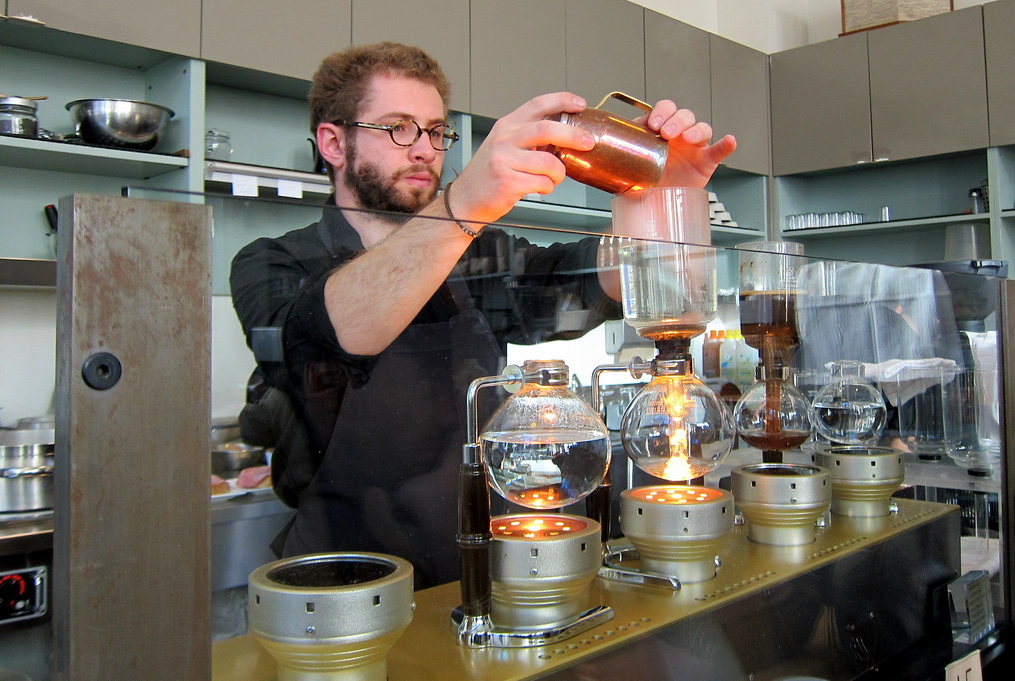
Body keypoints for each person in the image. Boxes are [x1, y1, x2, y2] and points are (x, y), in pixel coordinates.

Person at [230, 41, 736, 588]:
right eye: (399, 128)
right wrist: (465, 199)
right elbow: (327, 334)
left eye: (434, 130)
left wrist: (657, 198)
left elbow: (586, 280)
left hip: (481, 566)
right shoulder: (269, 261)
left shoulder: (480, 255)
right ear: (333, 142)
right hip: (346, 582)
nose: (425, 149)